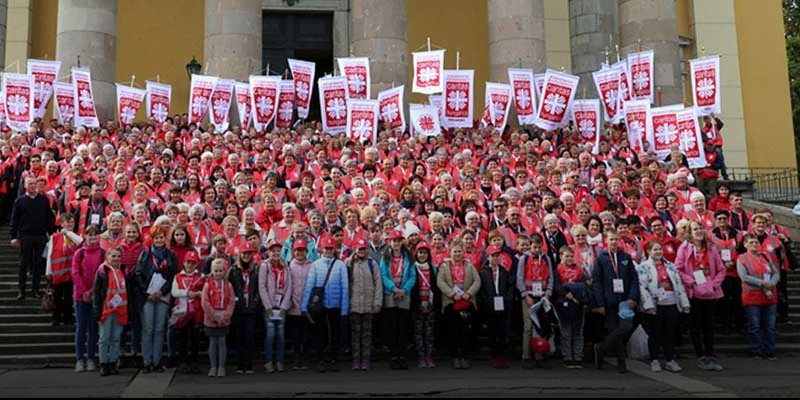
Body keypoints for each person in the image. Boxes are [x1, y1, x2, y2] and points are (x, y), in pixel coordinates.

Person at [676, 220, 725, 371]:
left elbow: (721, 269)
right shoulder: (684, 248)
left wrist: (714, 285)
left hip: (710, 290)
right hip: (694, 291)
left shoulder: (711, 248)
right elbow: (678, 269)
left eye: (700, 228)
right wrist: (691, 282)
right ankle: (700, 356)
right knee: (695, 326)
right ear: (690, 232)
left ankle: (710, 355)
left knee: (708, 325)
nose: (698, 231)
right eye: (695, 229)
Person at [637, 241, 690, 373]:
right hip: (656, 304)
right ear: (649, 251)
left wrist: (685, 303)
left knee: (669, 333)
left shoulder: (670, 266)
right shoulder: (644, 267)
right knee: (655, 333)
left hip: (671, 302)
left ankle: (670, 360)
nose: (658, 252)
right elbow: (642, 287)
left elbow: (679, 285)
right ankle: (654, 360)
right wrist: (648, 305)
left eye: (660, 249)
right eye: (655, 250)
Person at [591, 229, 639, 374]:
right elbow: (597, 281)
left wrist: (633, 297)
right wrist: (600, 303)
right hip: (609, 300)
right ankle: (621, 362)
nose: (614, 242)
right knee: (614, 329)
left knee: (625, 327)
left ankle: (602, 348)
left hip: (624, 300)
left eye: (616, 239)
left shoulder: (626, 257)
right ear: (607, 241)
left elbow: (634, 279)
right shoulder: (601, 258)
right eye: (611, 239)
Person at [300, 234, 349, 373]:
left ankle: (334, 359)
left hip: (335, 304)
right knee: (319, 333)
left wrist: (344, 309)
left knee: (335, 333)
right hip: (319, 305)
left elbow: (345, 288)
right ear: (321, 249)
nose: (328, 251)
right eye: (326, 248)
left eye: (330, 248)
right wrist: (304, 306)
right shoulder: (315, 265)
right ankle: (320, 359)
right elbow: (309, 285)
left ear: (334, 249)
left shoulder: (340, 265)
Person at [133, 225, 177, 373]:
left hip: (162, 296)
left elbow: (172, 276)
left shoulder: (170, 255)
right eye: (156, 238)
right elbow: (138, 274)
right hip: (147, 297)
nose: (159, 240)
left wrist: (161, 291)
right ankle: (147, 361)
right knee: (148, 329)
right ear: (152, 239)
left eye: (161, 237)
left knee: (159, 329)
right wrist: (147, 293)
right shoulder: (145, 254)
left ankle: (156, 361)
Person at [437, 239, 480, 370]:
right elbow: (440, 282)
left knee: (466, 331)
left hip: (467, 300)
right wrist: (452, 294)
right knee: (453, 331)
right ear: (449, 252)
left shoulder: (469, 265)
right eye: (454, 251)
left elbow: (477, 281)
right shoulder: (444, 266)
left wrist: (469, 293)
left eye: (459, 251)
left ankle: (465, 357)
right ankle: (455, 357)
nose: (457, 254)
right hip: (451, 302)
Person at [11, 176, 55, 300]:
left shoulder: (43, 200)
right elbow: (15, 220)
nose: (32, 185)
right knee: (23, 264)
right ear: (25, 185)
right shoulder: (20, 200)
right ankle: (21, 290)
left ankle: (35, 290)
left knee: (38, 264)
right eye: (29, 183)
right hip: (25, 235)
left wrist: (50, 233)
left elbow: (48, 218)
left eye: (34, 183)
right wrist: (14, 236)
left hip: (40, 235)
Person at [737, 234, 780, 360]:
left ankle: (770, 350)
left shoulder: (766, 256)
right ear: (745, 245)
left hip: (769, 296)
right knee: (754, 326)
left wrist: (772, 283)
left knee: (770, 326)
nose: (754, 245)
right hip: (752, 296)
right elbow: (744, 277)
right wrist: (762, 283)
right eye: (751, 242)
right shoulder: (742, 258)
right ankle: (756, 350)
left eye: (756, 242)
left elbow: (776, 273)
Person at [379, 229, 416, 370]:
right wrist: (394, 289)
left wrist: (403, 290)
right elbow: (383, 275)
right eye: (394, 240)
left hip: (404, 294)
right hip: (391, 294)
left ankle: (402, 355)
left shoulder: (408, 257)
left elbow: (412, 276)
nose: (396, 243)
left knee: (403, 327)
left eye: (399, 241)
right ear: (390, 242)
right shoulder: (385, 257)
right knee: (392, 326)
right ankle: (393, 355)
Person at [516, 234, 553, 370]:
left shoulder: (546, 259)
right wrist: (525, 295)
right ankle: (526, 356)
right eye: (534, 247)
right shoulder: (524, 259)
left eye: (539, 247)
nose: (537, 249)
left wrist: (548, 294)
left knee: (541, 326)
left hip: (542, 297)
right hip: (529, 297)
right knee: (528, 328)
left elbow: (550, 278)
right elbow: (519, 278)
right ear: (530, 246)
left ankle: (539, 355)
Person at [346, 238, 382, 370]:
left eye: (363, 249)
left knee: (367, 334)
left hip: (368, 304)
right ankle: (356, 359)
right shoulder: (349, 263)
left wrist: (377, 303)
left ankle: (366, 359)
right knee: (355, 334)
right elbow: (346, 285)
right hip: (354, 304)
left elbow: (378, 284)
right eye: (359, 249)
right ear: (355, 249)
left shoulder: (373, 264)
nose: (361, 251)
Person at [72, 225, 103, 373]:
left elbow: (102, 274)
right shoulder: (79, 253)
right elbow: (75, 273)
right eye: (89, 235)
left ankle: (90, 358)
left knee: (93, 329)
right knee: (81, 328)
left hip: (95, 296)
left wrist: (92, 292)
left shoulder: (103, 254)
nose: (92, 238)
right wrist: (84, 292)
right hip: (80, 297)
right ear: (85, 236)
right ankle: (79, 359)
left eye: (95, 235)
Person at [93, 247, 128, 377]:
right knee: (104, 338)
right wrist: (97, 311)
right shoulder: (102, 271)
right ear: (107, 257)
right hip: (106, 310)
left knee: (115, 338)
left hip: (120, 310)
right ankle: (104, 364)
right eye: (113, 256)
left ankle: (113, 363)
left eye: (118, 256)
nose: (116, 259)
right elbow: (96, 292)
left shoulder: (123, 270)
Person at [259, 240, 293, 373]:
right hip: (269, 306)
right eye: (273, 250)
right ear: (269, 252)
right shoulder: (264, 266)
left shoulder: (286, 266)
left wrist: (285, 305)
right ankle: (268, 361)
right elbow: (261, 286)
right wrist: (267, 305)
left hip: (281, 306)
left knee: (281, 335)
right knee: (270, 334)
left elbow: (289, 286)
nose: (276, 253)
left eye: (278, 250)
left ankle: (279, 361)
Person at [554, 246, 590, 369]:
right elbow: (557, 285)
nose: (569, 258)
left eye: (571, 256)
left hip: (578, 303)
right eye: (566, 256)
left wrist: (576, 296)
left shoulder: (579, 270)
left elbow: (584, 285)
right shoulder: (558, 269)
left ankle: (578, 357)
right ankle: (567, 357)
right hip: (563, 303)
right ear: (561, 257)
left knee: (578, 331)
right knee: (566, 332)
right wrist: (566, 293)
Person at [478, 245, 513, 369]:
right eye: (493, 256)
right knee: (492, 332)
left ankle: (502, 355)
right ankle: (495, 356)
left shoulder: (504, 271)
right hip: (490, 306)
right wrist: (486, 301)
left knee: (502, 332)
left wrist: (507, 299)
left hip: (503, 304)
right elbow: (481, 289)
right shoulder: (483, 271)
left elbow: (510, 286)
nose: (496, 258)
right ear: (488, 257)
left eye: (498, 255)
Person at [170, 251, 205, 375]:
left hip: (196, 310)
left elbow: (205, 290)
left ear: (196, 264)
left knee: (195, 337)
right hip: (182, 311)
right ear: (184, 263)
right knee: (182, 337)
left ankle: (194, 361)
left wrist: (197, 294)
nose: (190, 265)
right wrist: (186, 293)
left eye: (192, 263)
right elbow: (174, 292)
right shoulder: (178, 276)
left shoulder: (201, 276)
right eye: (187, 262)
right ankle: (183, 362)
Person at [46, 212, 82, 326]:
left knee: (68, 298)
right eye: (68, 222)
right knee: (57, 297)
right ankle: (56, 317)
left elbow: (80, 242)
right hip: (58, 272)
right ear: (61, 224)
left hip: (71, 273)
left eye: (72, 222)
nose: (71, 224)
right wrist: (48, 271)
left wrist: (68, 233)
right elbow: (49, 254)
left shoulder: (76, 236)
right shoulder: (54, 237)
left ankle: (68, 317)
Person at [229, 243, 260, 374]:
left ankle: (249, 363)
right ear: (240, 255)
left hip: (251, 307)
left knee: (249, 335)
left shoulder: (256, 269)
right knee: (239, 336)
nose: (246, 256)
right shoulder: (234, 270)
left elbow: (259, 285)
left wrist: (256, 299)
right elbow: (229, 286)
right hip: (238, 307)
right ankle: (240, 363)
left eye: (249, 253)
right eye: (244, 253)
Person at [202, 259, 235, 377]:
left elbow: (231, 301)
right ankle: (213, 366)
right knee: (213, 342)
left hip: (224, 319)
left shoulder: (228, 285)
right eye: (216, 271)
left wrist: (226, 316)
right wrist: (215, 317)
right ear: (212, 271)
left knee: (222, 341)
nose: (218, 273)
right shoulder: (207, 285)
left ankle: (221, 366)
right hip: (211, 319)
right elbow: (205, 302)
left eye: (221, 271)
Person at [410, 241, 438, 369]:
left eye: (425, 253)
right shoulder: (412, 268)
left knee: (429, 331)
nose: (422, 255)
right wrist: (418, 304)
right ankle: (421, 356)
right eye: (420, 253)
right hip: (418, 305)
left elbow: (435, 287)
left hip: (430, 305)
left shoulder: (433, 268)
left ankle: (429, 355)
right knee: (418, 331)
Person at [287, 239, 313, 370]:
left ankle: (305, 358)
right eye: (297, 250)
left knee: (306, 334)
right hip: (293, 306)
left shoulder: (311, 265)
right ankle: (297, 358)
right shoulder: (290, 266)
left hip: (307, 306)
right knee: (296, 335)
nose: (300, 253)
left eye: (302, 250)